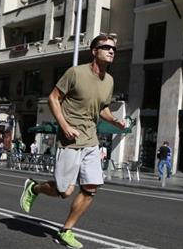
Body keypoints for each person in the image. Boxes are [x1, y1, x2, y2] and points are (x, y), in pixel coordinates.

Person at [19, 33, 125, 249]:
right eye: (106, 47)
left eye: (113, 48)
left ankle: (66, 231)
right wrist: (65, 127)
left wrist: (115, 121)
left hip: (91, 139)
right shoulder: (76, 73)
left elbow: (102, 107)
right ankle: (34, 188)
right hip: (69, 140)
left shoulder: (110, 81)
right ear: (94, 51)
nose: (111, 50)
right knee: (63, 191)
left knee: (91, 187)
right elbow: (53, 98)